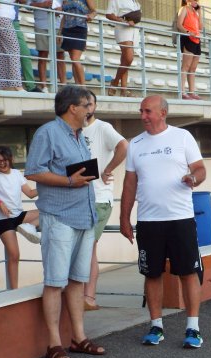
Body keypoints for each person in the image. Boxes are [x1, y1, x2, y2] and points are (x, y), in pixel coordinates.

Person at [25, 86, 105, 358]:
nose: (89, 111)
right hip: (58, 216)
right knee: (55, 281)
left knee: (76, 281)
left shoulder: (80, 135)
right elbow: (34, 170)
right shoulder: (48, 132)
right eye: (87, 106)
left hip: (84, 216)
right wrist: (70, 181)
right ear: (73, 107)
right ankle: (53, 343)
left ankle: (79, 338)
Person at [120, 95, 206, 348]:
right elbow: (129, 184)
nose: (143, 116)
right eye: (141, 111)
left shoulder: (182, 137)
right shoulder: (135, 144)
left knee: (188, 272)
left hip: (180, 218)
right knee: (152, 272)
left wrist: (193, 178)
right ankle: (156, 325)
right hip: (149, 221)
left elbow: (200, 169)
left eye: (148, 111)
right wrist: (124, 218)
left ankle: (193, 328)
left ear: (163, 113)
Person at [82, 90, 128, 310]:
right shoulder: (73, 130)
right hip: (79, 199)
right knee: (82, 248)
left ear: (95, 106)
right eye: (82, 104)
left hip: (99, 199)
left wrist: (108, 169)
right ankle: (83, 296)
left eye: (89, 104)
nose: (87, 108)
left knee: (88, 247)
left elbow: (123, 146)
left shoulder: (102, 128)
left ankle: (89, 298)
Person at [0, 146, 41, 290]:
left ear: (11, 160)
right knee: (15, 255)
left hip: (19, 216)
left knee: (47, 211)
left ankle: (30, 226)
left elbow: (30, 193)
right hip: (3, 220)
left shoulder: (17, 173)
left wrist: (47, 183)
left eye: (4, 160)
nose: (2, 163)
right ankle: (14, 290)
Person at [0, 0, 24, 91]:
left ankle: (2, 85)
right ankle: (17, 84)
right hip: (3, 18)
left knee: (1, 52)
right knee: (14, 49)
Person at [29, 0, 67, 92]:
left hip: (58, 25)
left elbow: (66, 4)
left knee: (60, 55)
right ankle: (44, 86)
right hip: (41, 25)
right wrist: (42, 4)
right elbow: (27, 5)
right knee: (43, 55)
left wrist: (62, 9)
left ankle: (63, 86)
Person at [105, 0, 139, 97]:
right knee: (129, 58)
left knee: (125, 61)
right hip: (122, 29)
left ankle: (124, 90)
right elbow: (108, 14)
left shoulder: (134, 1)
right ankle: (115, 82)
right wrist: (123, 21)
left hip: (133, 30)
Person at [60, 0, 96, 85]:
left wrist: (91, 16)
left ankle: (83, 87)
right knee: (73, 59)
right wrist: (59, 33)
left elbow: (94, 11)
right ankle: (77, 86)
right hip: (67, 29)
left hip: (80, 28)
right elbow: (64, 16)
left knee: (75, 59)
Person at [176, 0, 202, 100]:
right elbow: (179, 24)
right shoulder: (184, 9)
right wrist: (188, 32)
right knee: (186, 66)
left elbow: (201, 27)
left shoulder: (196, 12)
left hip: (197, 39)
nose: (196, 1)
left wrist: (200, 13)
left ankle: (192, 92)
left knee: (193, 68)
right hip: (188, 38)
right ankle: (182, 92)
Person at [13, 4, 40, 93]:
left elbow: (26, 4)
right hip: (3, 18)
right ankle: (15, 85)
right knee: (9, 54)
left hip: (14, 21)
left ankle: (30, 86)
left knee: (24, 53)